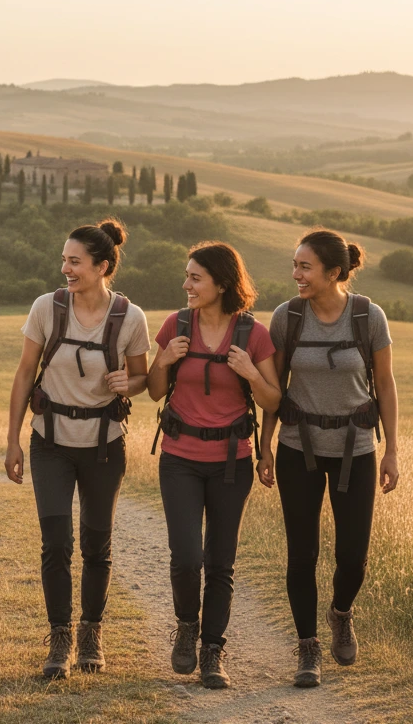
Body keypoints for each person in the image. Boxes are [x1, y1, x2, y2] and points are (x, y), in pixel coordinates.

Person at [5, 218, 149, 680]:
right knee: (56, 544)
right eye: (64, 259)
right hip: (50, 442)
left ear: (102, 266)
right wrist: (12, 441)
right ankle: (59, 638)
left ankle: (91, 633)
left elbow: (143, 378)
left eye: (75, 261)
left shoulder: (131, 317)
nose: (65, 268)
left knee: (97, 545)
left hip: (104, 446)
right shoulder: (47, 308)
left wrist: (133, 382)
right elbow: (25, 374)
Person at [257, 229, 399, 688]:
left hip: (356, 450)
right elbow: (274, 388)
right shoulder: (287, 317)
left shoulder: (367, 316)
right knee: (302, 555)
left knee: (353, 556)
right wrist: (265, 445)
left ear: (333, 272)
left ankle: (340, 613)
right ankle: (307, 647)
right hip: (299, 448)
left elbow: (387, 384)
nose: (295, 274)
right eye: (295, 265)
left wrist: (391, 450)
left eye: (304, 267)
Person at [147, 241, 280, 688]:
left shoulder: (253, 334)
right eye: (187, 276)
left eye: (195, 277)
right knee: (186, 557)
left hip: (232, 462)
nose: (186, 284)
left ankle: (212, 650)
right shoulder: (175, 324)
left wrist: (250, 373)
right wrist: (162, 360)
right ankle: (186, 627)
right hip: (179, 458)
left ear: (222, 283)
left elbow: (272, 400)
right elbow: (152, 389)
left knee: (220, 561)